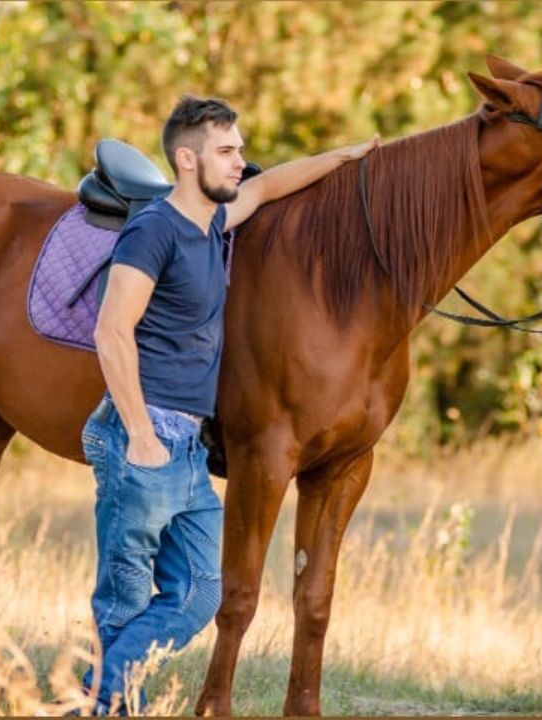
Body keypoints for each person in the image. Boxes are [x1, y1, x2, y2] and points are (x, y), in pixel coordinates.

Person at [81, 95, 378, 714]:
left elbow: (271, 188)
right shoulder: (153, 230)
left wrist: (347, 155)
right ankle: (97, 704)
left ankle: (90, 696)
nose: (241, 161)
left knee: (198, 597)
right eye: (227, 151)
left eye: (240, 148)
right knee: (125, 597)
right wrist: (140, 434)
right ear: (187, 161)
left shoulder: (212, 221)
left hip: (189, 445)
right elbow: (111, 331)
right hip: (145, 432)